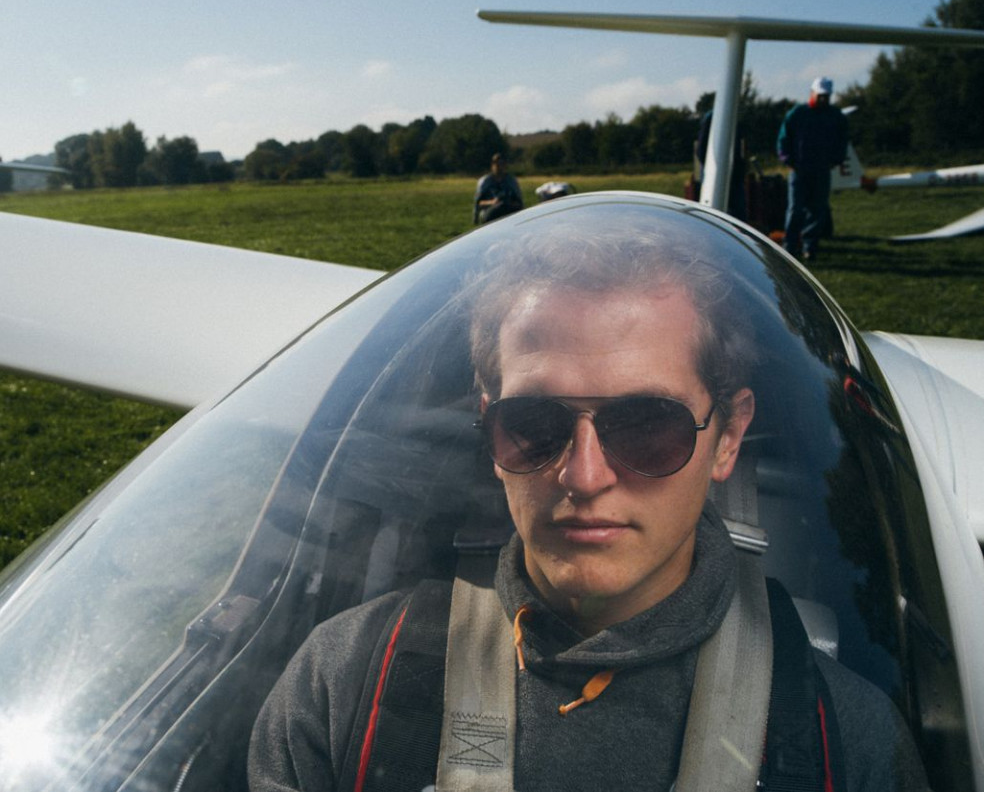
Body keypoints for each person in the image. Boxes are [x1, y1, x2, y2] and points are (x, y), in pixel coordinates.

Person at [248, 213, 929, 791]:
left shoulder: (849, 746)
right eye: (534, 425)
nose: (584, 474)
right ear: (490, 427)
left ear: (728, 437)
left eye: (646, 426)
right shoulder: (341, 686)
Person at [777, 76, 849, 261]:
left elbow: (842, 140)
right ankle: (790, 247)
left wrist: (836, 159)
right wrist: (788, 159)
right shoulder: (798, 114)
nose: (823, 99)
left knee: (817, 210)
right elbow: (784, 138)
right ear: (813, 93)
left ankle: (810, 247)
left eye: (826, 96)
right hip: (799, 170)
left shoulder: (835, 116)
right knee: (795, 209)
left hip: (821, 170)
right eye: (820, 96)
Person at [696, 108, 748, 221]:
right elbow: (701, 150)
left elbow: (739, 150)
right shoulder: (711, 118)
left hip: (735, 177)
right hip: (714, 178)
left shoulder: (734, 117)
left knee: (738, 216)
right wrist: (715, 172)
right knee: (713, 216)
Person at [473, 153, 524, 224]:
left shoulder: (511, 181)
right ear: (492, 165)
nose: (500, 167)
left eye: (502, 164)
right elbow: (479, 203)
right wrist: (492, 202)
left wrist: (509, 203)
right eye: (497, 164)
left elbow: (519, 202)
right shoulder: (485, 181)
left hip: (508, 210)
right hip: (489, 211)